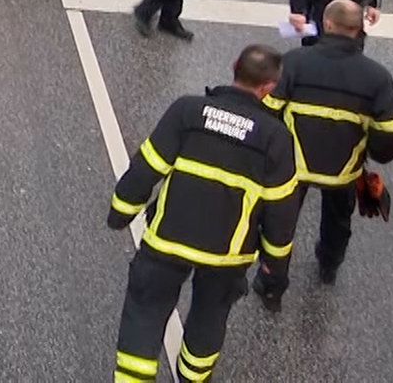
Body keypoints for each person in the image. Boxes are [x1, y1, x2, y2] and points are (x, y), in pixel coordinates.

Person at [109, 43, 298, 383]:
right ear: (269, 88)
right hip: (227, 256)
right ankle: (193, 377)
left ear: (233, 65)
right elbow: (281, 211)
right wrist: (275, 264)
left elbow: (149, 164)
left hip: (168, 240)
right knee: (210, 316)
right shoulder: (275, 138)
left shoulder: (188, 111)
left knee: (145, 311)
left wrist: (122, 209)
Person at [251, 0, 393, 309]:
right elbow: (389, 137)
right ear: (359, 29)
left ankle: (272, 285)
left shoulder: (294, 62)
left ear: (327, 24)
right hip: (343, 173)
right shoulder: (377, 77)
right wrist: (367, 154)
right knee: (338, 220)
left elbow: (267, 114)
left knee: (281, 227)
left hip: (294, 170)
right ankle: (328, 265)